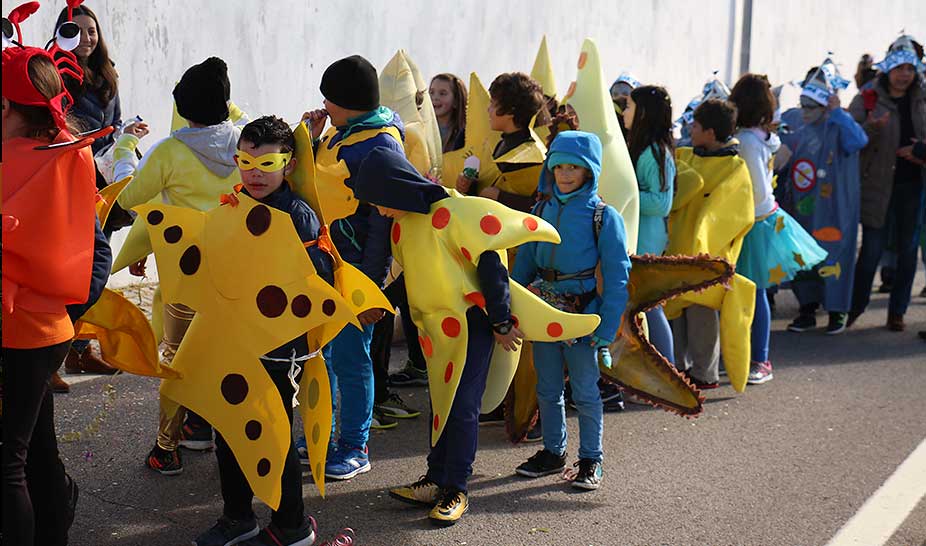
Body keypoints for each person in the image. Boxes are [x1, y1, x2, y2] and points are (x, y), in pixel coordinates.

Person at [190, 116, 327, 546]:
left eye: (267, 164)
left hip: (277, 350)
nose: (255, 173)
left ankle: (292, 525)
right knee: (230, 430)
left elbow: (317, 281)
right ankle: (237, 516)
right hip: (232, 343)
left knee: (273, 435)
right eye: (246, 162)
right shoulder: (232, 204)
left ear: (288, 165)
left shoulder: (298, 216)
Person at [114, 57, 242, 475]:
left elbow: (129, 198)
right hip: (235, 273)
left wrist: (124, 148)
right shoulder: (245, 143)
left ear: (183, 107)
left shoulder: (169, 151)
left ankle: (166, 447)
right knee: (225, 352)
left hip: (185, 275)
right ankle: (209, 429)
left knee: (178, 358)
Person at [1, 36, 101, 546]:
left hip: (17, 327)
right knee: (37, 449)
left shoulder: (11, 161)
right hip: (53, 325)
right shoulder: (70, 150)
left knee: (9, 462)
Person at [510, 130, 630, 489]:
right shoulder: (539, 210)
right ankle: (553, 452)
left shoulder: (604, 217)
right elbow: (524, 264)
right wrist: (511, 306)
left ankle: (591, 459)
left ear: (589, 171)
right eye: (559, 166)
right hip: (543, 312)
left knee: (585, 391)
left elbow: (618, 276)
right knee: (547, 387)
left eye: (573, 167)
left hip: (582, 315)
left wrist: (607, 328)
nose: (564, 174)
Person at [302, 55, 403, 481]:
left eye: (329, 99)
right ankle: (324, 436)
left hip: (356, 273)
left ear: (349, 103)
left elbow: (383, 224)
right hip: (324, 266)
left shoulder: (380, 145)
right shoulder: (340, 132)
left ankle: (355, 446)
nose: (323, 105)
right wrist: (309, 141)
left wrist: (372, 288)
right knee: (321, 358)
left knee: (351, 360)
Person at [730, 74, 826, 384]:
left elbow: (756, 188)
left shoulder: (747, 140)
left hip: (754, 222)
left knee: (753, 291)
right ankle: (751, 355)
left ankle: (760, 359)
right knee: (752, 291)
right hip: (763, 218)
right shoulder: (762, 136)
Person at [668, 99, 755, 389]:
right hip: (677, 250)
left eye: (695, 126)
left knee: (701, 312)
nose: (690, 130)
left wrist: (715, 255)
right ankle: (675, 366)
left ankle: (705, 372)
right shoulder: (685, 155)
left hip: (709, 257)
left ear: (710, 132)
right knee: (673, 310)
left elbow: (736, 215)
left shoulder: (734, 168)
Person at [779, 59, 868, 334]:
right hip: (802, 205)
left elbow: (859, 141)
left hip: (835, 207)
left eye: (811, 107)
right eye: (803, 104)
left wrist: (838, 112)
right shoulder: (795, 120)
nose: (805, 111)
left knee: (835, 254)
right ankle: (807, 308)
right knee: (802, 254)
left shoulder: (840, 123)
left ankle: (837, 310)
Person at [847, 35, 926, 332]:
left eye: (910, 69)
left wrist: (920, 151)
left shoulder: (922, 96)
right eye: (899, 68)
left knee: (908, 252)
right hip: (876, 185)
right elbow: (849, 136)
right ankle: (854, 307)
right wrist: (871, 128)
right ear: (888, 69)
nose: (904, 75)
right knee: (871, 251)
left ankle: (897, 312)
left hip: (913, 186)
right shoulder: (868, 96)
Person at [622, 85, 676, 364]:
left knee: (650, 308)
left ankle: (668, 369)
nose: (624, 112)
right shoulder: (643, 148)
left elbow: (661, 203)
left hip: (647, 240)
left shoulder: (655, 152)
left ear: (643, 113)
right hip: (638, 236)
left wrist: (626, 193)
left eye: (629, 106)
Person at [456, 72, 545, 213]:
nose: (488, 109)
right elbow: (490, 188)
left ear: (510, 111)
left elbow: (538, 206)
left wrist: (500, 196)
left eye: (493, 104)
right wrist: (470, 185)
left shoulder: (532, 155)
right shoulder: (502, 143)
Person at [429, 73, 467, 153]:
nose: (435, 98)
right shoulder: (423, 129)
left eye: (442, 93)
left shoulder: (464, 134)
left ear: (456, 101)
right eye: (431, 92)